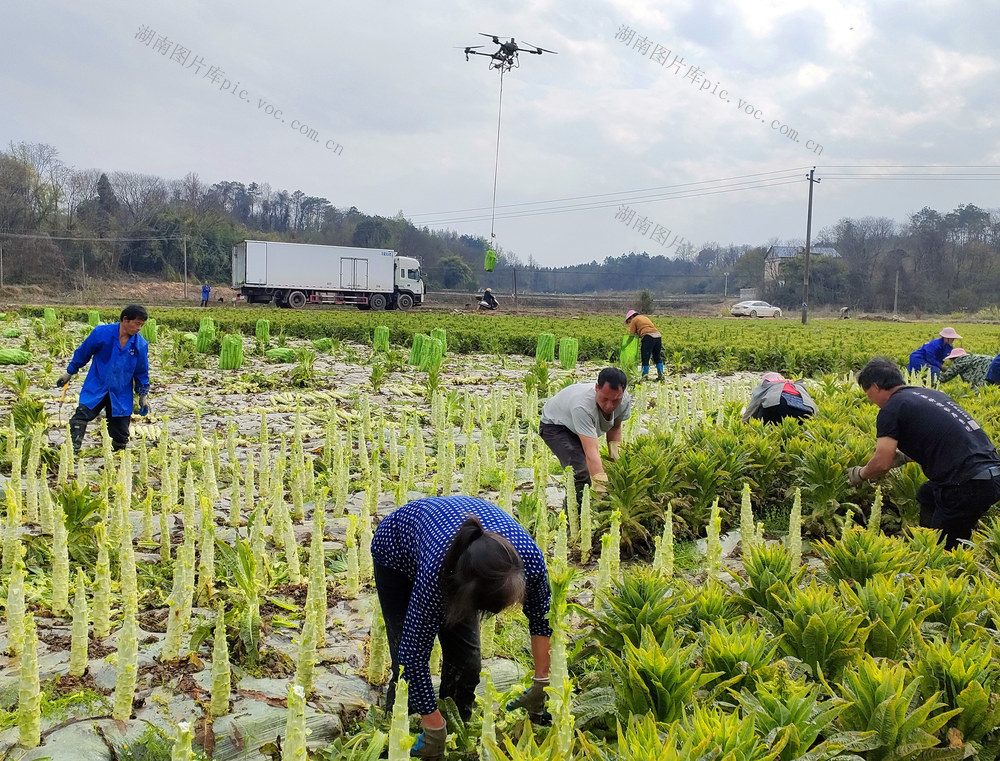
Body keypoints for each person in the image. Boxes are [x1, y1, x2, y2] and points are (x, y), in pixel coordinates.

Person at [371, 496, 551, 758]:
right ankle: (402, 727)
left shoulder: (530, 561)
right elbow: (413, 656)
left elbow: (541, 617)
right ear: (468, 595)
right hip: (396, 551)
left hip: (462, 553)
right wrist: (433, 727)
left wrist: (542, 680)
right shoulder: (436, 579)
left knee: (467, 661)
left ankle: (456, 725)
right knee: (404, 658)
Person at [848, 357, 1000, 549]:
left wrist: (860, 475)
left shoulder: (891, 409)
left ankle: (943, 562)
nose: (868, 398)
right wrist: (903, 457)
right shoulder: (931, 395)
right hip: (991, 475)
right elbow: (942, 438)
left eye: (867, 392)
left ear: (876, 387)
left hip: (966, 484)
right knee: (927, 495)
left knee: (944, 549)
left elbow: (881, 463)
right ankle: (926, 538)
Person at [57, 304, 151, 453]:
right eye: (137, 323)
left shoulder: (140, 344)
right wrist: (69, 372)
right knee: (81, 416)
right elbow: (83, 353)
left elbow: (141, 371)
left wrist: (143, 395)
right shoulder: (101, 333)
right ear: (125, 320)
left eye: (142, 325)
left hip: (121, 391)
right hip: (97, 386)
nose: (139, 328)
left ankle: (117, 459)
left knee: (120, 432)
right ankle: (71, 452)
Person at [539, 367, 631, 496]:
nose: (609, 406)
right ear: (596, 388)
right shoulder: (582, 407)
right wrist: (602, 492)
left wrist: (615, 461)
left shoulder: (624, 400)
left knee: (606, 469)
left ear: (622, 393)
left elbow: (615, 428)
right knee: (581, 470)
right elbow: (591, 451)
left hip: (576, 426)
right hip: (556, 426)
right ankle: (575, 514)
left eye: (615, 400)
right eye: (605, 399)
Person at [741, 372, 817, 424]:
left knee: (763, 413)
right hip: (805, 409)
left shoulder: (766, 385)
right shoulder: (796, 385)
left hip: (778, 404)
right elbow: (812, 405)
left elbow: (754, 405)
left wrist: (744, 422)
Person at [624, 309, 663, 382]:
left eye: (629, 321)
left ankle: (645, 377)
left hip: (648, 337)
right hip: (658, 336)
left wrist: (626, 345)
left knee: (645, 357)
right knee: (657, 357)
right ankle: (661, 375)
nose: (629, 323)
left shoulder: (634, 320)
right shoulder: (644, 317)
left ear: (631, 317)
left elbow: (632, 335)